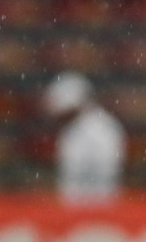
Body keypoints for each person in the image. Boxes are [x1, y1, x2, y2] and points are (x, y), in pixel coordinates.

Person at [44, 72, 125, 203]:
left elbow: (103, 176)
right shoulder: (72, 128)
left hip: (96, 206)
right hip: (74, 205)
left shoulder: (101, 128)